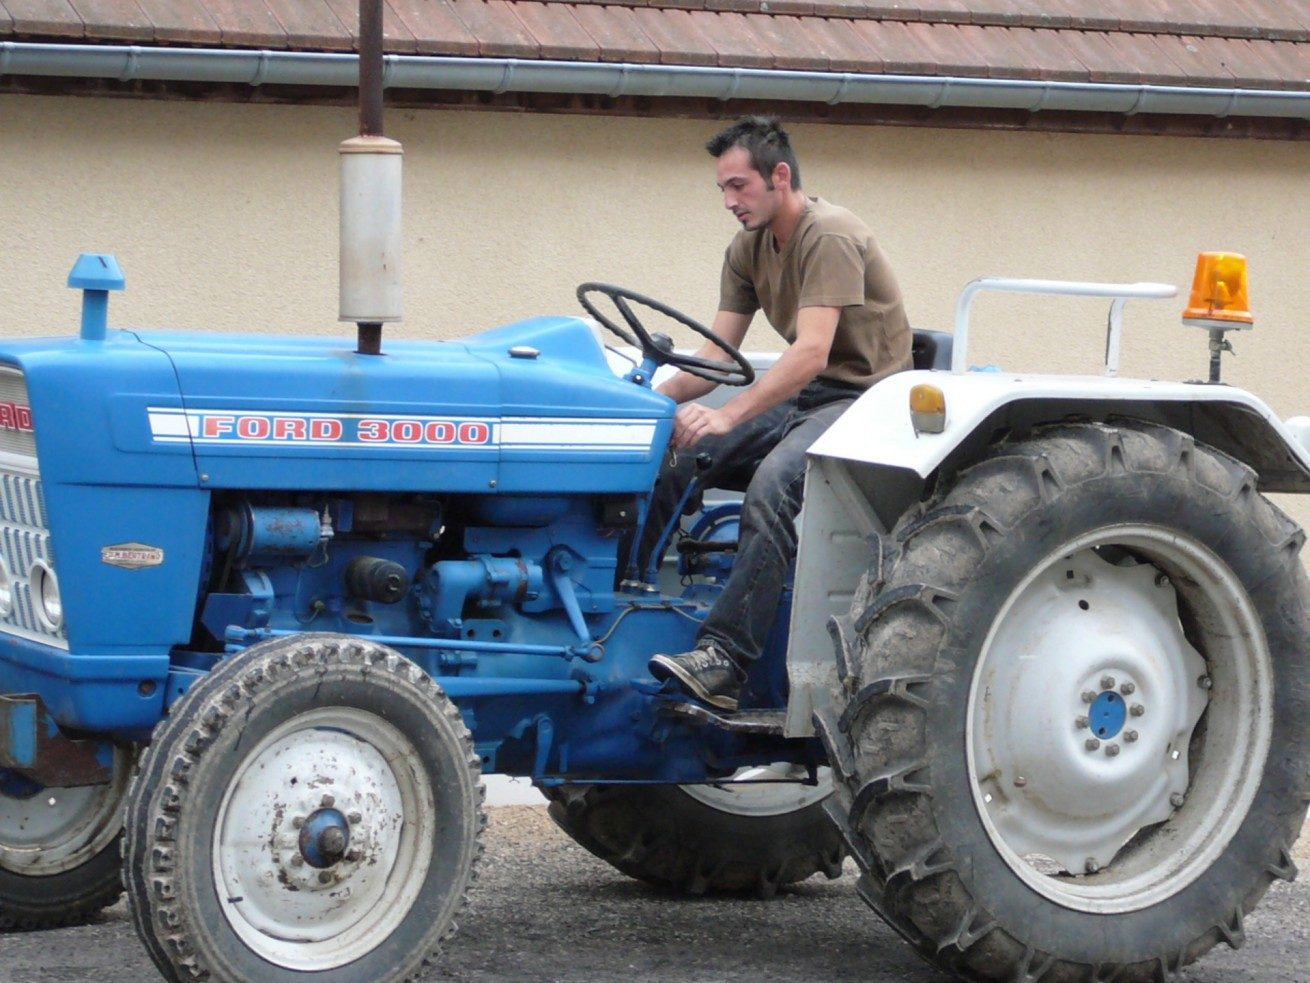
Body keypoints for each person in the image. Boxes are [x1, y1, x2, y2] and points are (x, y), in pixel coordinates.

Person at [646, 115, 912, 711]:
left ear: (780, 176)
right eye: (722, 188)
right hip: (808, 396)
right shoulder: (748, 248)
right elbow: (716, 354)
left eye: (738, 186)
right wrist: (651, 405)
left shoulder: (832, 236)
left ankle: (725, 661)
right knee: (680, 459)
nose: (728, 201)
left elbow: (812, 353)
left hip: (864, 400)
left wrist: (727, 414)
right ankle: (631, 598)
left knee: (773, 485)